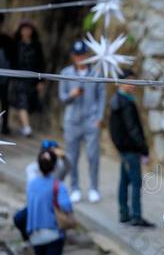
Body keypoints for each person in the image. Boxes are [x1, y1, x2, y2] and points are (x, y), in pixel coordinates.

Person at [58, 40, 105, 204]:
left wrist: (99, 117)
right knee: (72, 157)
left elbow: (101, 97)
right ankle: (75, 188)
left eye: (83, 54)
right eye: (77, 55)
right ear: (73, 56)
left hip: (91, 121)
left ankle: (94, 188)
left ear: (87, 55)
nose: (80, 58)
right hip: (72, 121)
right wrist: (72, 94)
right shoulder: (65, 72)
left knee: (93, 156)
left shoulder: (96, 73)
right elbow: (62, 98)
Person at [26, 149, 72, 255]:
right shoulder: (58, 186)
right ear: (54, 167)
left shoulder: (31, 184)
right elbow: (66, 206)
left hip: (35, 233)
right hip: (53, 234)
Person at [109, 69, 154, 227]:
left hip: (124, 149)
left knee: (124, 181)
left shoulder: (116, 100)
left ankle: (124, 214)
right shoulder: (126, 103)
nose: (134, 85)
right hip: (130, 149)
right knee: (135, 182)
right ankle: (136, 216)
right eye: (130, 81)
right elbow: (133, 129)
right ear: (121, 82)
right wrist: (144, 149)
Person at [14, 140, 71, 241]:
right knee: (19, 218)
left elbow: (69, 166)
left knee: (59, 219)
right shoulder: (32, 168)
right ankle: (28, 237)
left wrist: (64, 156)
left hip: (54, 206)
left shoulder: (59, 166)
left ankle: (60, 235)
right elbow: (36, 187)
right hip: (38, 204)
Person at [10, 20, 45, 137]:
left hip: (32, 78)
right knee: (22, 102)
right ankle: (27, 127)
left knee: (29, 103)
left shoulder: (36, 45)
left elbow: (41, 63)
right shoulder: (15, 44)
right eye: (24, 29)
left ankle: (24, 126)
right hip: (19, 78)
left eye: (28, 29)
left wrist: (41, 81)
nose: (26, 32)